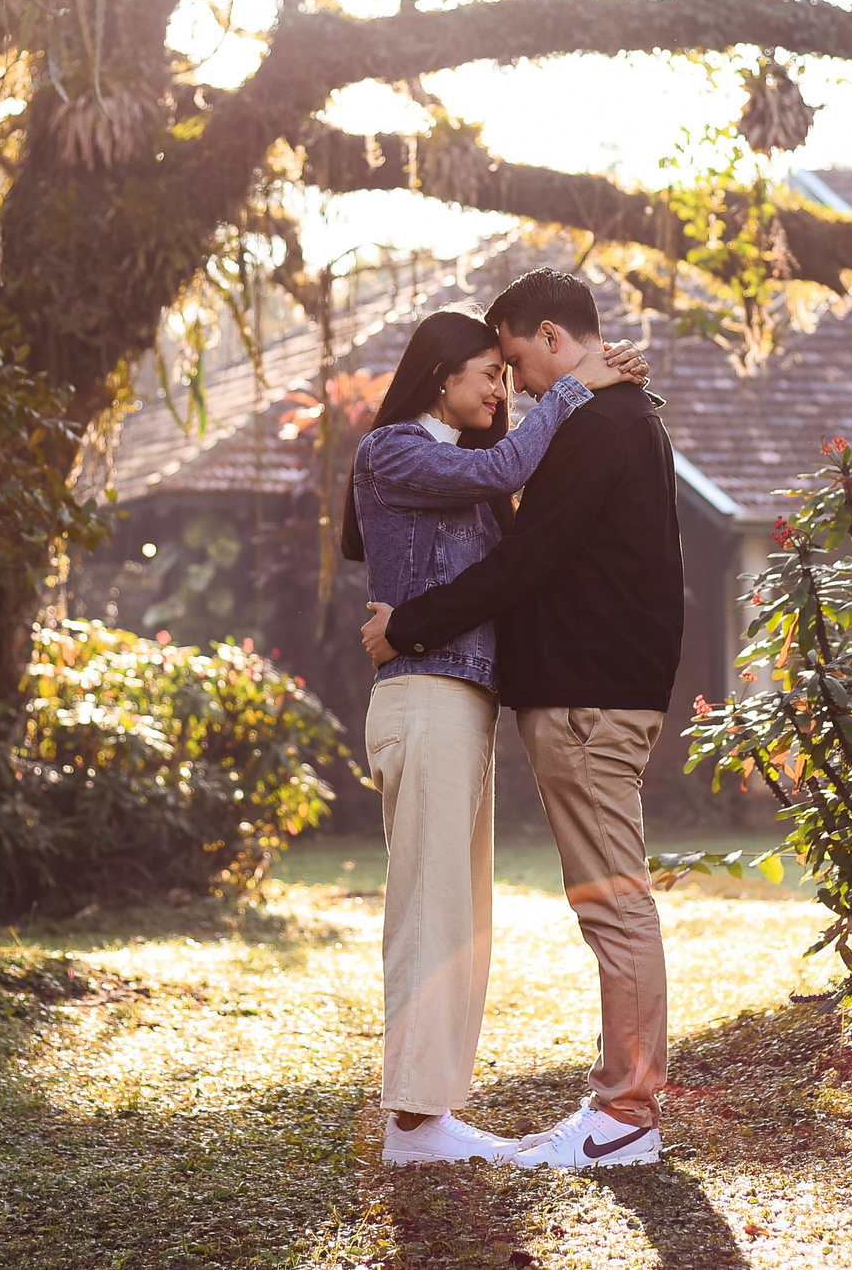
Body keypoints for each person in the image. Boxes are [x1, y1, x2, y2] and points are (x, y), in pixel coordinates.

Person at [363, 267, 687, 1170]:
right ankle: (588, 1110)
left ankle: (624, 1115)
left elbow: (524, 561)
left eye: (513, 361)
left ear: (550, 337)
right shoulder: (612, 419)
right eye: (489, 370)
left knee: (611, 905)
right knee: (583, 904)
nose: (512, 385)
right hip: (575, 694)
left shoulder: (600, 423)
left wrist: (408, 625)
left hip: (588, 699)